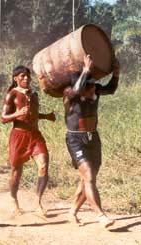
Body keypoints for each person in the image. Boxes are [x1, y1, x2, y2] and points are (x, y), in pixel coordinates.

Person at [63, 54, 120, 228]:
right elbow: (76, 90)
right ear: (82, 86)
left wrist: (116, 74)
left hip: (93, 138)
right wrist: (86, 70)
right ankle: (100, 215)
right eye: (91, 86)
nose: (95, 89)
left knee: (88, 178)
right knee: (88, 175)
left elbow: (110, 89)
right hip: (75, 139)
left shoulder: (94, 90)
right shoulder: (69, 95)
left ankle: (72, 211)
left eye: (95, 85)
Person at [1, 65, 56, 218]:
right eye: (22, 76)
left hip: (35, 135)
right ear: (15, 78)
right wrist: (17, 113)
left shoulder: (34, 94)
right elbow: (3, 118)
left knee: (44, 166)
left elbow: (32, 114)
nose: (26, 78)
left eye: (28, 76)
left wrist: (46, 116)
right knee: (16, 172)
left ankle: (38, 203)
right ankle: (13, 200)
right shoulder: (11, 94)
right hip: (19, 136)